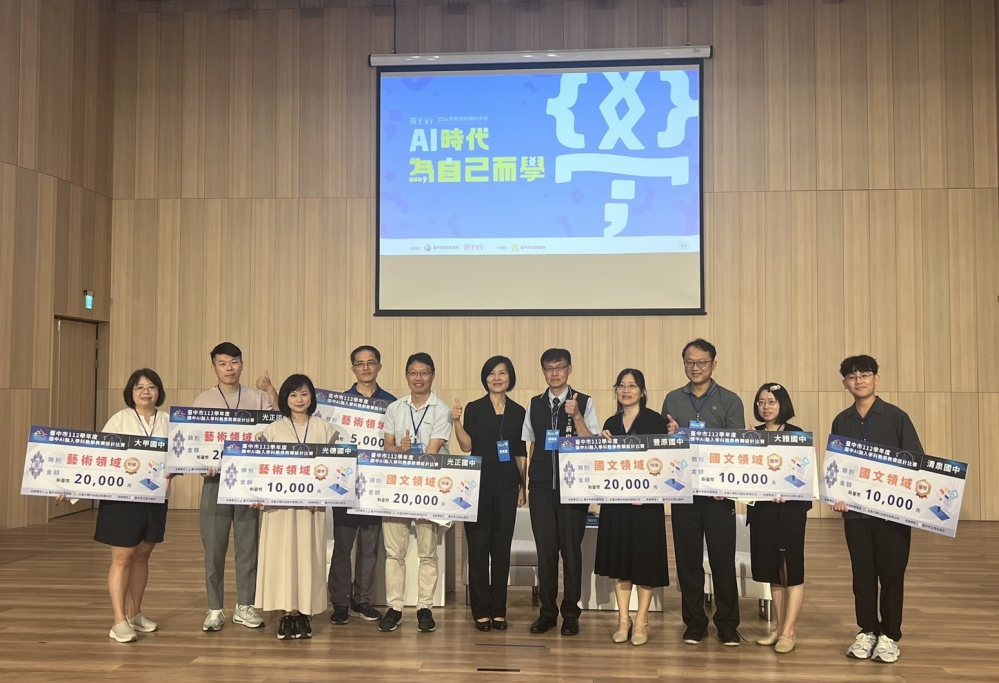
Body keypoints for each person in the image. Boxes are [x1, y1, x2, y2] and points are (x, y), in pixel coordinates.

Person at [830, 355, 923, 664]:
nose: (859, 380)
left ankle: (890, 636)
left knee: (892, 575)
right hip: (855, 514)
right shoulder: (841, 420)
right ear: (844, 383)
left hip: (892, 514)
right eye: (852, 376)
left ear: (876, 379)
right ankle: (867, 630)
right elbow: (836, 466)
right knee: (862, 575)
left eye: (865, 374)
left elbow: (915, 463)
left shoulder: (896, 417)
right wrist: (837, 495)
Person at [661, 338, 744, 646]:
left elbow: (736, 446)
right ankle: (694, 622)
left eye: (701, 362)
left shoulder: (730, 400)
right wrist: (670, 436)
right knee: (688, 562)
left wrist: (726, 485)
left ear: (713, 364)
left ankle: (727, 624)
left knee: (722, 560)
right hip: (684, 491)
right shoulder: (673, 399)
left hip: (719, 494)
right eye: (689, 362)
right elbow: (665, 448)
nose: (695, 368)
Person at [193, 342, 277, 632]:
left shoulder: (257, 398)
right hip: (214, 482)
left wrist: (271, 391)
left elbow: (276, 429)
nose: (229, 368)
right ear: (213, 367)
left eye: (234, 362)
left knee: (247, 546)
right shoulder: (203, 401)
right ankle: (215, 608)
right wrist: (200, 464)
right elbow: (193, 442)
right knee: (213, 548)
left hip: (248, 483)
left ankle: (245, 606)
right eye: (223, 363)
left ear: (242, 363)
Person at [88, 369, 171, 643]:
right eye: (139, 387)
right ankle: (118, 620)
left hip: (156, 500)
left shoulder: (168, 422)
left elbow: (179, 456)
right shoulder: (119, 419)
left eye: (151, 386)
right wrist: (71, 490)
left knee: (143, 556)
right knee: (122, 558)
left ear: (159, 391)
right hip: (121, 500)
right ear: (131, 392)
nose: (145, 392)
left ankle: (135, 614)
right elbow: (99, 457)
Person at [254, 374, 338, 640]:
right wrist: (256, 493)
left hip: (310, 509)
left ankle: (304, 613)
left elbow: (335, 470)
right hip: (278, 508)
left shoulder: (325, 429)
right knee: (281, 557)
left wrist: (322, 494)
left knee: (308, 557)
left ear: (311, 396)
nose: (299, 399)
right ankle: (286, 613)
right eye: (293, 394)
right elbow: (258, 468)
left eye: (304, 393)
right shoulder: (272, 430)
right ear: (284, 398)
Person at [523, 348, 600, 636]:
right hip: (541, 487)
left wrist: (576, 415)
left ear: (569, 370)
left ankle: (570, 612)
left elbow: (591, 443)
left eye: (560, 367)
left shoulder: (584, 402)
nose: (554, 373)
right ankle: (547, 612)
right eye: (549, 368)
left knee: (571, 553)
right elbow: (531, 445)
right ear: (543, 372)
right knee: (545, 554)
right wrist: (527, 484)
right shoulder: (535, 404)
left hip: (573, 488)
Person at [378, 352, 453, 634]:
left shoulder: (441, 410)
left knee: (427, 552)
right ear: (406, 375)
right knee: (393, 553)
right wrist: (401, 448)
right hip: (397, 487)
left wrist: (407, 452)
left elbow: (432, 451)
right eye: (413, 372)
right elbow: (387, 447)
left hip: (428, 488)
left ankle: (425, 608)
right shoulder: (395, 408)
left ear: (432, 375)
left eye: (424, 372)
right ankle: (395, 608)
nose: (418, 378)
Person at [452, 356, 528, 631]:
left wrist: (523, 486)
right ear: (485, 379)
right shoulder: (475, 408)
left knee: (501, 548)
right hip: (477, 487)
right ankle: (480, 611)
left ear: (510, 377)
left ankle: (499, 611)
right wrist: (456, 422)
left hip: (507, 485)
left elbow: (520, 452)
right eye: (491, 373)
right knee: (478, 547)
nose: (497, 378)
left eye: (502, 373)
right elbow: (466, 446)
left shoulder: (519, 411)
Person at [595, 369, 670, 646]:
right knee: (620, 561)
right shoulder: (610, 423)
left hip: (646, 506)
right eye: (621, 385)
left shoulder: (656, 421)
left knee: (644, 561)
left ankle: (641, 621)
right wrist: (600, 445)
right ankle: (623, 620)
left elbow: (666, 463)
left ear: (642, 391)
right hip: (616, 504)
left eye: (632, 385)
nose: (626, 390)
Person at [329, 345, 397, 626]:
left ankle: (362, 601)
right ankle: (340, 603)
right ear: (353, 368)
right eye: (360, 363)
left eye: (371, 362)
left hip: (375, 487)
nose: (366, 368)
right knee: (343, 547)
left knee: (370, 547)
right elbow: (329, 442)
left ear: (379, 366)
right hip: (346, 485)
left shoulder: (392, 405)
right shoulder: (339, 405)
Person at [748, 382, 811, 654]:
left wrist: (790, 491)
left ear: (782, 404)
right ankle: (778, 628)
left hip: (790, 512)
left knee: (791, 571)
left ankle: (789, 631)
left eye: (771, 401)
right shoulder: (753, 435)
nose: (766, 407)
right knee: (772, 571)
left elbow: (805, 475)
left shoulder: (796, 435)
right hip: (763, 512)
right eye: (761, 402)